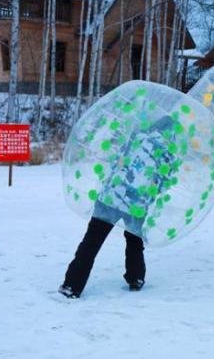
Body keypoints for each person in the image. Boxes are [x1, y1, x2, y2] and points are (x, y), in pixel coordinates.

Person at [59, 115, 175, 299]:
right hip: (138, 203)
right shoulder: (169, 151)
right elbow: (163, 180)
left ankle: (72, 285)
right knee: (134, 241)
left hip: (113, 195)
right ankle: (135, 278)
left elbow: (116, 161)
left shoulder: (136, 135)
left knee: (92, 241)